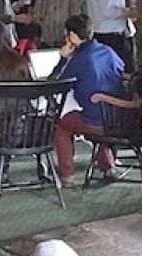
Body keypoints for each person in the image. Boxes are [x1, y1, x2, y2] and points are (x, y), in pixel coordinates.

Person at [50, 15, 124, 187]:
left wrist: (63, 58)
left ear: (73, 36)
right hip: (120, 117)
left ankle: (67, 175)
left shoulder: (78, 60)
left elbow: (54, 84)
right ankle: (108, 165)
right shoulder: (108, 51)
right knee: (95, 118)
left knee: (62, 126)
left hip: (96, 122)